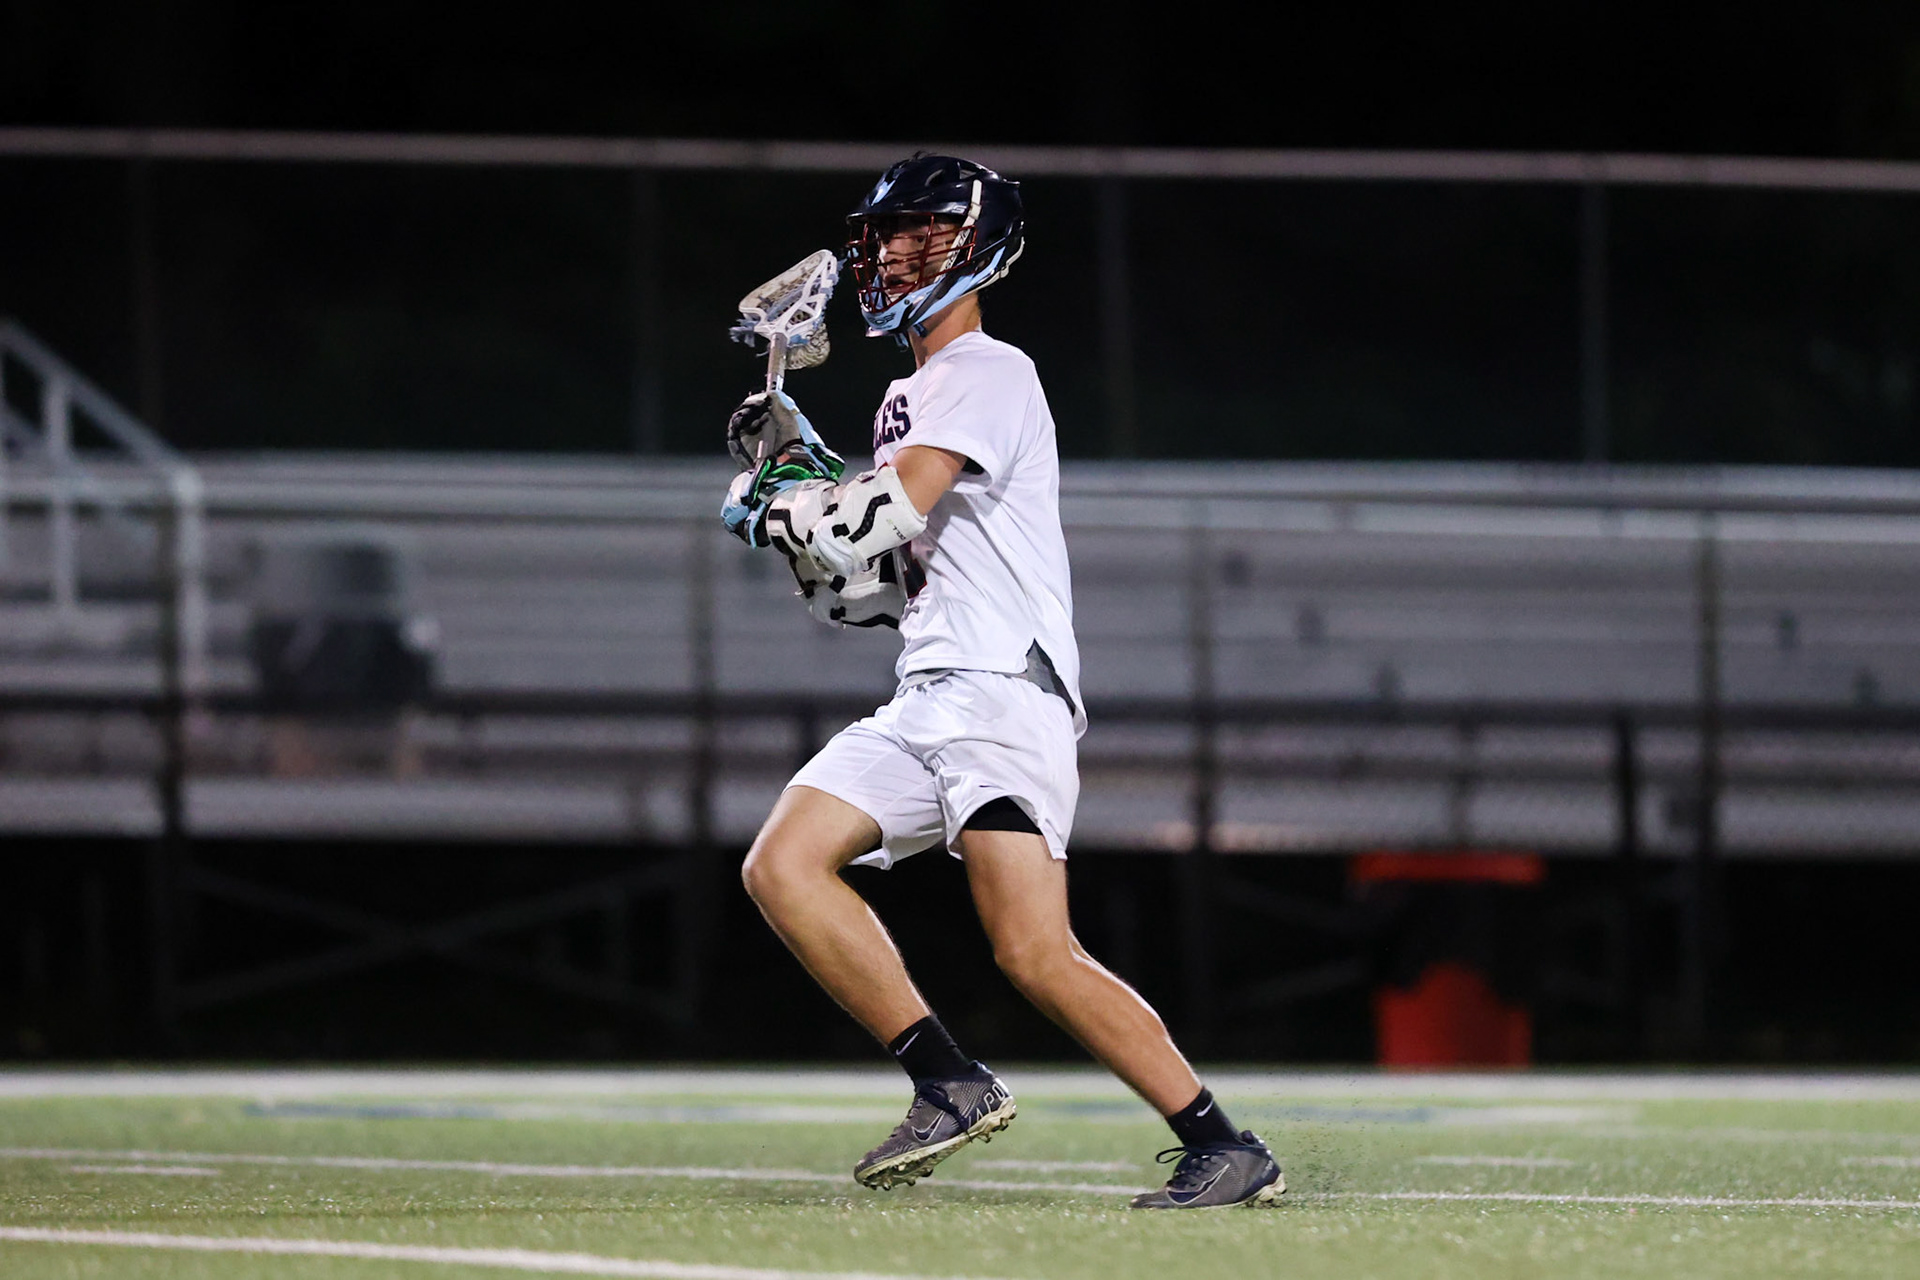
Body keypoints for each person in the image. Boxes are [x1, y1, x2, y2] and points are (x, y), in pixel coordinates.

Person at [719, 153, 1283, 1210]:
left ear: (980, 247)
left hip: (999, 697)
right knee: (784, 863)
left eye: (922, 234)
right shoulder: (912, 396)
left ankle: (1223, 1140)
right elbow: (870, 586)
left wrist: (792, 498)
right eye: (888, 236)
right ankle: (948, 1078)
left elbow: (874, 520)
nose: (895, 254)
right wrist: (795, 494)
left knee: (1034, 949)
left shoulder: (987, 370)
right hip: (932, 687)